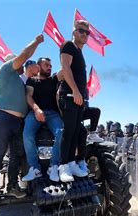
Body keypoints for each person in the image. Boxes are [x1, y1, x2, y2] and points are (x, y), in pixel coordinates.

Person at [0, 34, 44, 200]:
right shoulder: (5, 69)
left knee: (16, 155)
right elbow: (25, 56)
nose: (18, 65)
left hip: (17, 122)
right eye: (16, 62)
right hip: (3, 117)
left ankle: (12, 186)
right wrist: (36, 42)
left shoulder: (19, 81)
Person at [57, 20, 92, 182]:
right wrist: (75, 91)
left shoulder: (79, 52)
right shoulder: (68, 45)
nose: (84, 34)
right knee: (69, 131)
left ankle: (71, 163)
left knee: (77, 131)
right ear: (74, 31)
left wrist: (83, 96)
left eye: (87, 32)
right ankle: (63, 166)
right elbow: (65, 67)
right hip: (70, 96)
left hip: (79, 99)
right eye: (81, 31)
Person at [22, 57, 63, 182]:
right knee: (27, 134)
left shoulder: (53, 79)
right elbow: (28, 96)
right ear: (39, 66)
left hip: (52, 114)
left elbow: (65, 68)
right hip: (35, 112)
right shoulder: (32, 80)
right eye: (46, 65)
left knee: (62, 131)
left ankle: (54, 166)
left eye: (50, 65)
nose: (50, 67)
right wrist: (36, 109)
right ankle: (35, 168)